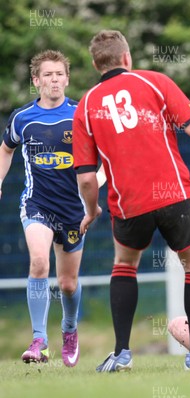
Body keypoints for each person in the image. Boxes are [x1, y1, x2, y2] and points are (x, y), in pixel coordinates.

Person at [72, 30, 190, 372]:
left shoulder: (87, 105)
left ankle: (121, 354)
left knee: (124, 265)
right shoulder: (153, 82)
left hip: (128, 203)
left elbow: (87, 178)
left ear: (95, 64)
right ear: (127, 58)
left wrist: (91, 211)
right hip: (175, 195)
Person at [0, 50, 99, 367]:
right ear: (36, 81)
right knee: (39, 262)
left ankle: (69, 330)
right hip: (37, 205)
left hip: (73, 209)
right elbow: (5, 148)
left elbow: (105, 154)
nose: (54, 79)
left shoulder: (81, 115)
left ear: (67, 79)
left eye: (59, 74)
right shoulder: (22, 118)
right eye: (47, 74)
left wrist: (97, 190)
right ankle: (39, 340)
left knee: (68, 283)